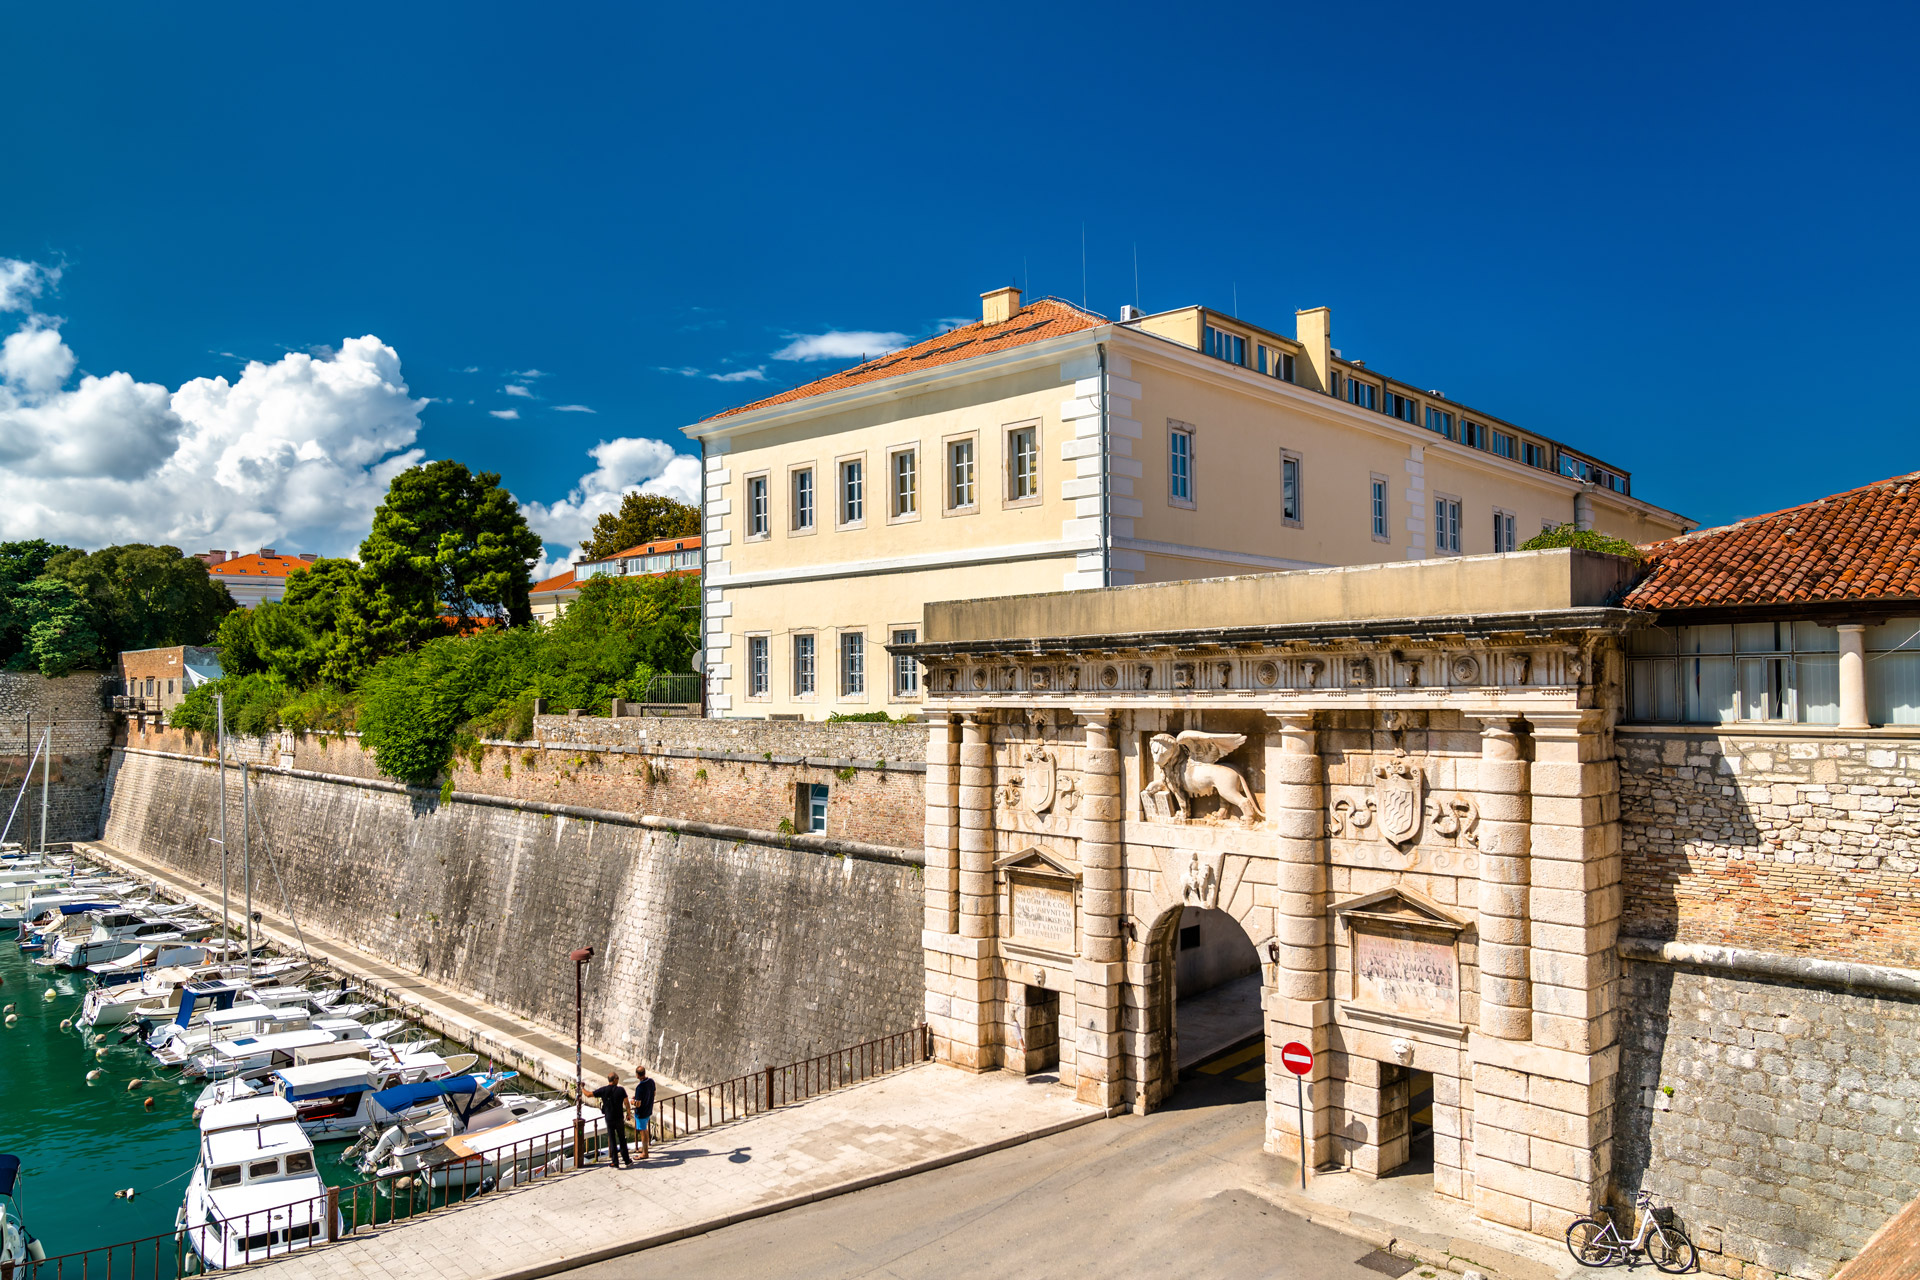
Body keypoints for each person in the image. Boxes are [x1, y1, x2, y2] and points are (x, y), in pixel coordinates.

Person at [590, 1071, 634, 1168]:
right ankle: (627, 1160)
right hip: (619, 1117)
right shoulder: (621, 1090)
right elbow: (626, 1103)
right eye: (617, 1078)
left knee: (612, 1139)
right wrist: (628, 1114)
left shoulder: (603, 1090)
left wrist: (581, 1088)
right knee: (622, 1139)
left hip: (609, 1118)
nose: (618, 1080)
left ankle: (615, 1162)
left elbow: (589, 1094)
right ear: (614, 1080)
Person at [634, 1065, 657, 1162]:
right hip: (648, 1109)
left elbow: (638, 1104)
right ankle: (644, 1148)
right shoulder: (651, 1081)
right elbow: (654, 1093)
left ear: (637, 1075)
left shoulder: (639, 1087)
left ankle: (645, 1152)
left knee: (643, 1131)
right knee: (645, 1130)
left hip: (641, 1113)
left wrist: (632, 1102)